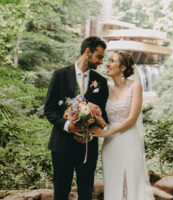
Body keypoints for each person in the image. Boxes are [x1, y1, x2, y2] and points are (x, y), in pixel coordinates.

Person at [44, 36, 109, 200]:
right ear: (88, 52)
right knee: (60, 192)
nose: (101, 61)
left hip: (88, 148)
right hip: (61, 146)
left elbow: (104, 114)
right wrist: (68, 126)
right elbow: (49, 109)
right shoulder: (59, 75)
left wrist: (95, 125)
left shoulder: (101, 82)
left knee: (86, 194)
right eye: (99, 56)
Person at [90, 51, 155, 200]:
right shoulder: (105, 88)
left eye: (112, 61)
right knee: (113, 184)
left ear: (123, 67)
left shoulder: (135, 86)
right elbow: (101, 112)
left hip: (129, 141)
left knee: (131, 183)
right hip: (110, 145)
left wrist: (106, 133)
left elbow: (132, 119)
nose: (107, 64)